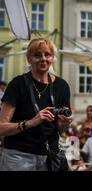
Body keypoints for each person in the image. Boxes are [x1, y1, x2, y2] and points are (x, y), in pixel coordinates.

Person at [0, 38, 72, 171]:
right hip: (19, 156)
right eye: (37, 55)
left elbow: (60, 130)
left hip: (50, 156)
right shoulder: (18, 84)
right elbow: (1, 128)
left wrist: (65, 123)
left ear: (53, 58)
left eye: (47, 54)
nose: (43, 59)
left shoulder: (62, 86)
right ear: (29, 58)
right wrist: (31, 122)